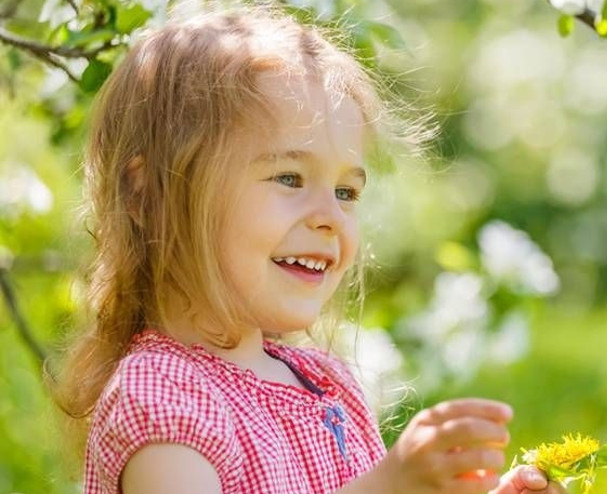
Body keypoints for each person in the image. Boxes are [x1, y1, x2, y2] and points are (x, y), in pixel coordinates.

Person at [47, 7, 566, 494]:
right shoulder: (162, 396)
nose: (330, 217)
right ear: (148, 193)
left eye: (346, 192)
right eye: (290, 178)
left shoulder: (325, 383)